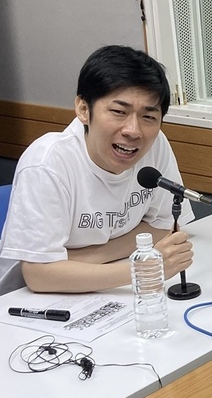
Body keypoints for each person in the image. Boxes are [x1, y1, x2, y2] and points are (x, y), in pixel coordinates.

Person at [0, 45, 193, 295]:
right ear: (83, 109)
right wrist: (145, 269)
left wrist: (85, 257)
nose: (133, 131)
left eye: (148, 117)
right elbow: (38, 275)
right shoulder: (48, 162)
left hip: (101, 285)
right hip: (26, 301)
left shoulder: (155, 146)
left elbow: (165, 227)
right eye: (119, 112)